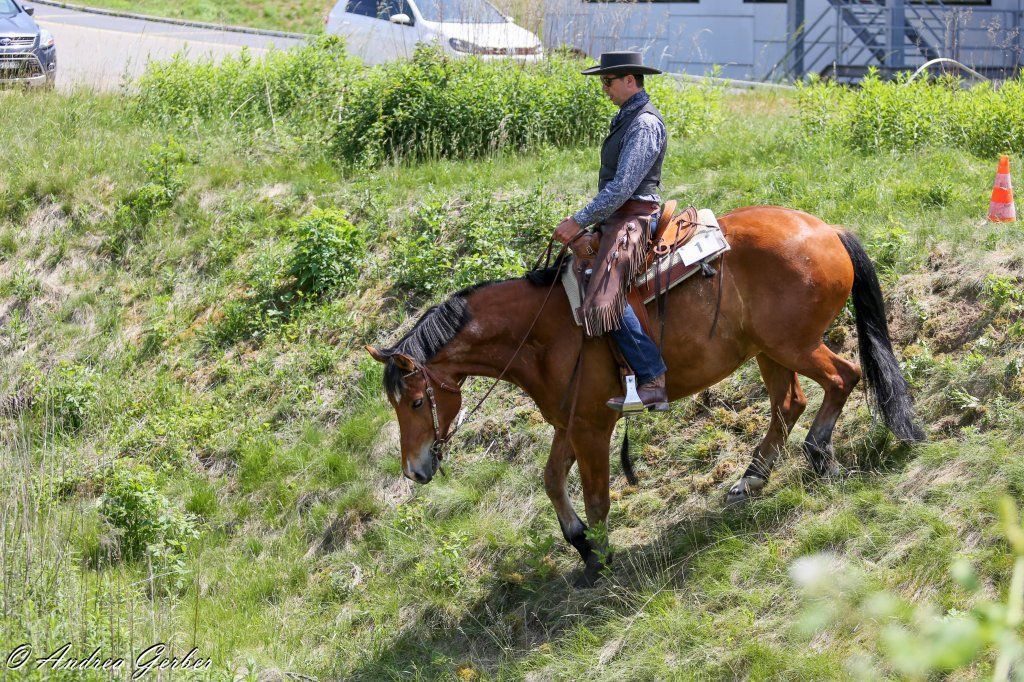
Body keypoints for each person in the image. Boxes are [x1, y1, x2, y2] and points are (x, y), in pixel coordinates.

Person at [553, 51, 669, 412]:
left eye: (608, 81)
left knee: (604, 296)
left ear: (630, 81)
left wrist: (579, 219)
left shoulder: (645, 123)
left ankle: (652, 380)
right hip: (619, 216)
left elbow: (622, 188)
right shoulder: (627, 118)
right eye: (603, 82)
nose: (604, 88)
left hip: (635, 217)